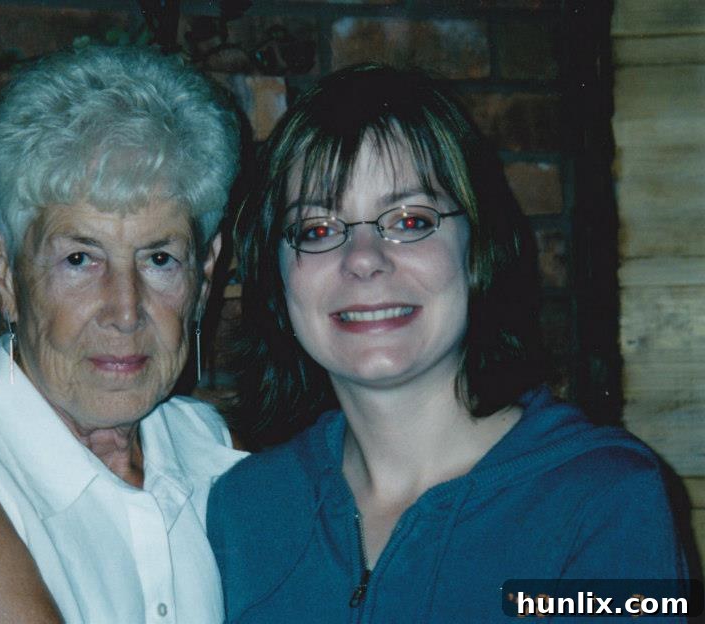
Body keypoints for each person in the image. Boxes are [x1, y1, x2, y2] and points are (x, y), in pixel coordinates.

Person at [207, 64, 691, 622]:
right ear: (280, 275)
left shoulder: (604, 500)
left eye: (410, 220)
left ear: (477, 245)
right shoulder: (245, 510)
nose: (363, 258)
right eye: (316, 230)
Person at [0, 45, 245, 623]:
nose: (125, 311)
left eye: (159, 258)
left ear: (203, 277)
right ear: (4, 273)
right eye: (81, 259)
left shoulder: (209, 446)